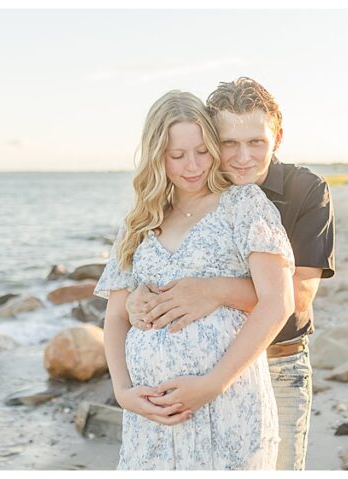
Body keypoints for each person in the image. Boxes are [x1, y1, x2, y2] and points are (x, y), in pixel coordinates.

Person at [125, 77, 335, 470]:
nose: (242, 157)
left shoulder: (307, 190)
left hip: (278, 361)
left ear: (278, 137)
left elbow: (298, 297)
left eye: (256, 142)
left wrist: (216, 291)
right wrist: (141, 296)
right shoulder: (191, 195)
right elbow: (170, 262)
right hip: (194, 380)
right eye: (228, 144)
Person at [94, 90, 295, 469]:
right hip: (152, 421)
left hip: (229, 404)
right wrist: (122, 392)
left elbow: (278, 301)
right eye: (177, 155)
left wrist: (213, 383)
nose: (192, 166)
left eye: (202, 151)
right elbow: (116, 316)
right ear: (157, 156)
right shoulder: (139, 222)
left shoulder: (243, 204)